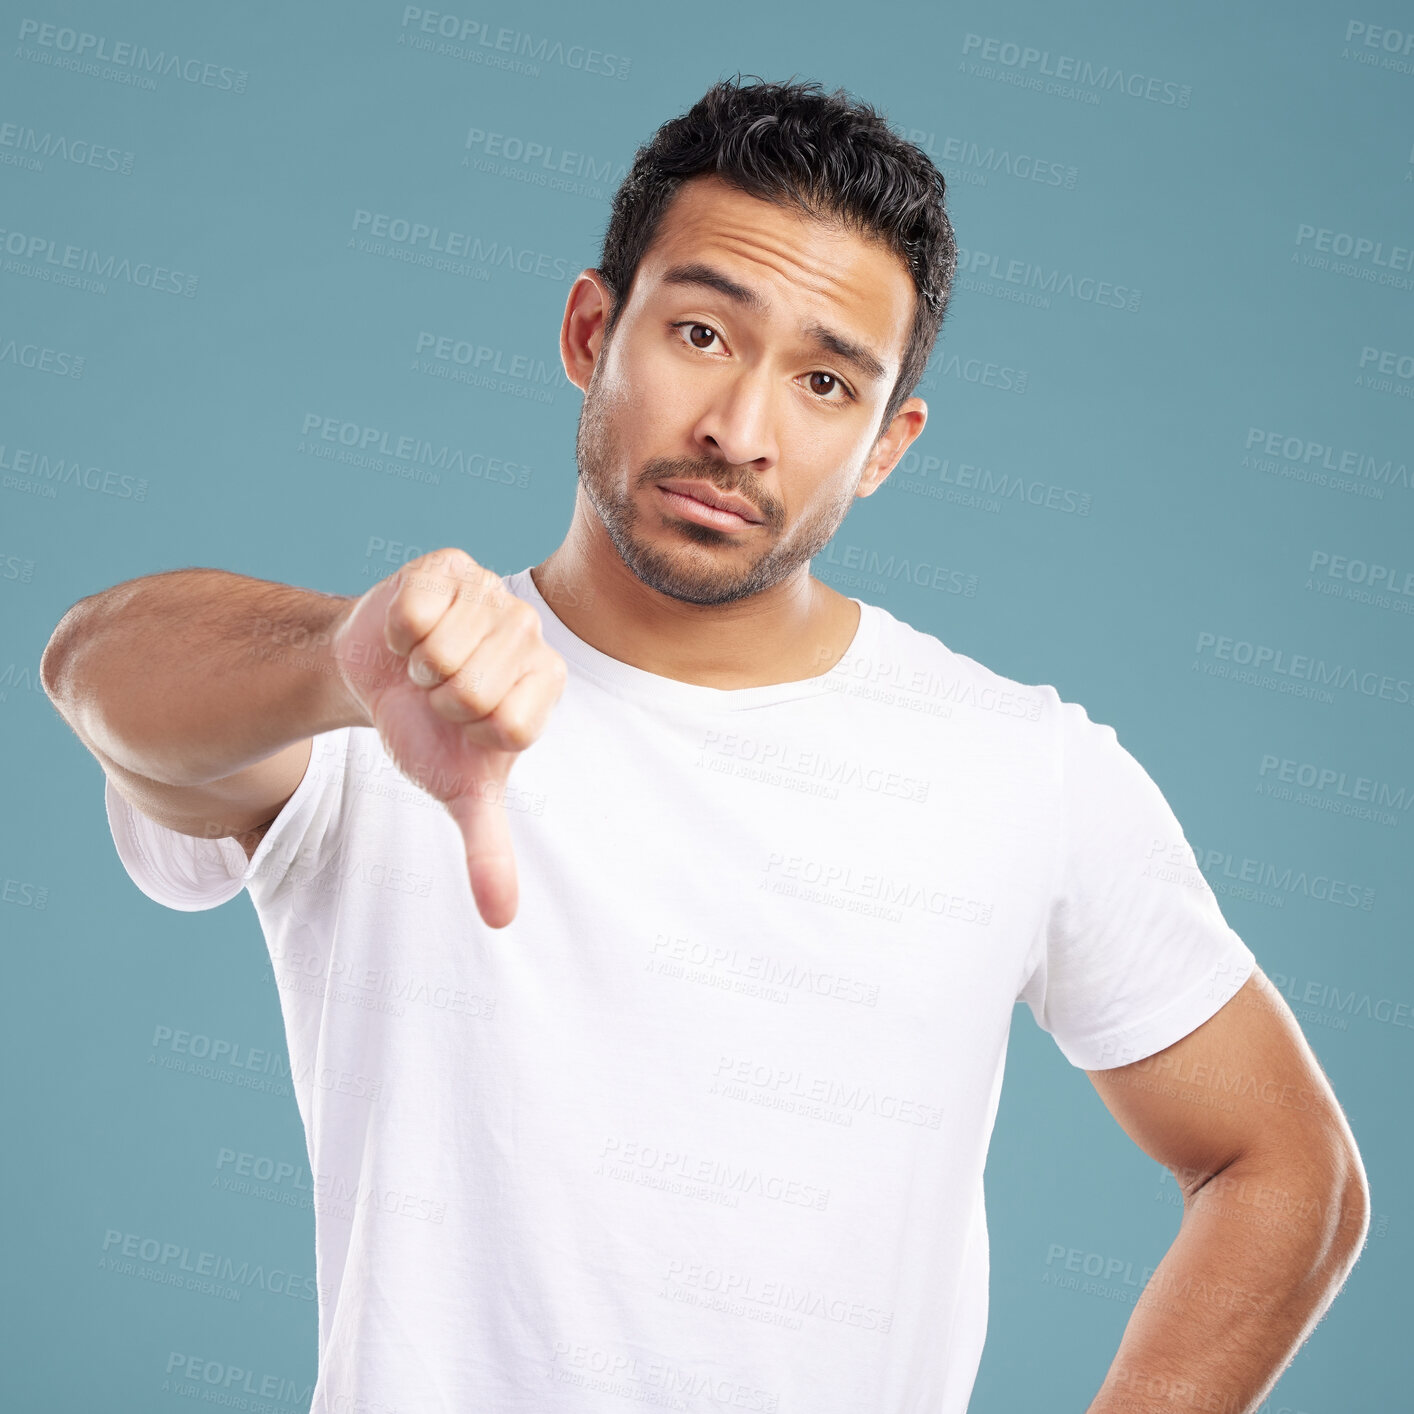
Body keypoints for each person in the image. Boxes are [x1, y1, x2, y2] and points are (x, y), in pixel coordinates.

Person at [42, 75, 1367, 1414]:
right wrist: (339, 655)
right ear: (587, 329)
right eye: (696, 331)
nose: (738, 429)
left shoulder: (1026, 769)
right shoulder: (391, 700)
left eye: (823, 380)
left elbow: (1284, 1169)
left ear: (884, 447)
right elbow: (97, 665)